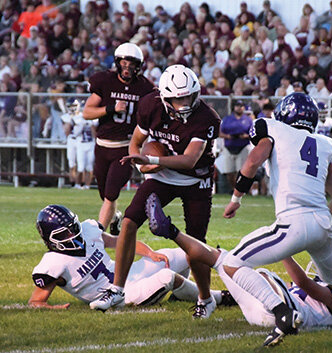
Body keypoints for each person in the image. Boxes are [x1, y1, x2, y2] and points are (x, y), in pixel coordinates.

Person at [154, 92, 332, 347]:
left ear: (284, 114)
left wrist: (236, 199)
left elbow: (253, 161)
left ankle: (281, 312)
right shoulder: (324, 143)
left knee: (232, 264)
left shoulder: (274, 129)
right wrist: (315, 222)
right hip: (323, 223)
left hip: (293, 221)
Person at [89, 65, 221, 320]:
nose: (184, 103)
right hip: (162, 174)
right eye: (177, 98)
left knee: (196, 243)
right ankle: (117, 289)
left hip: (196, 180)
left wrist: (153, 160)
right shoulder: (150, 105)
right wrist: (143, 163)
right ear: (164, 97)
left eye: (188, 96)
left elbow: (189, 160)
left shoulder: (207, 117)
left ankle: (205, 299)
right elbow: (136, 142)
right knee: (128, 220)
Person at [147, 193, 332, 329]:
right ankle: (170, 230)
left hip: (279, 313)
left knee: (254, 271)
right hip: (265, 314)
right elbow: (299, 288)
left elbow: (302, 282)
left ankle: (170, 231)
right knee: (221, 259)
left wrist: (284, 247)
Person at [29, 205, 234, 309]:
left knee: (178, 254)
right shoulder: (52, 263)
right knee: (167, 277)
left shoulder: (88, 230)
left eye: (73, 227)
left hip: (127, 273)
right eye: (64, 233)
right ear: (50, 238)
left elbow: (121, 242)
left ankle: (232, 267)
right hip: (118, 295)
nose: (73, 234)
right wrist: (54, 308)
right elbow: (36, 301)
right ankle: (220, 297)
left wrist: (150, 253)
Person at [82, 42, 154, 233]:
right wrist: (111, 108)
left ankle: (98, 235)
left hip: (125, 147)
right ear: (117, 63)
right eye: (124, 63)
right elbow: (87, 113)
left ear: (138, 66)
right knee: (105, 194)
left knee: (112, 193)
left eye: (131, 65)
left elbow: (151, 115)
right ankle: (115, 217)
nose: (127, 68)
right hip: (102, 146)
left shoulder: (145, 88)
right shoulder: (105, 81)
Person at [218, 100, 253, 190]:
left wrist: (246, 136)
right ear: (234, 107)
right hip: (229, 146)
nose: (239, 107)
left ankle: (240, 190)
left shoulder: (248, 120)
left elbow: (253, 133)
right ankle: (234, 189)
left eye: (241, 106)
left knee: (240, 171)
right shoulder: (227, 119)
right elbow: (219, 133)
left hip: (242, 147)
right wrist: (228, 136)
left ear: (244, 108)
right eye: (237, 105)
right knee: (229, 172)